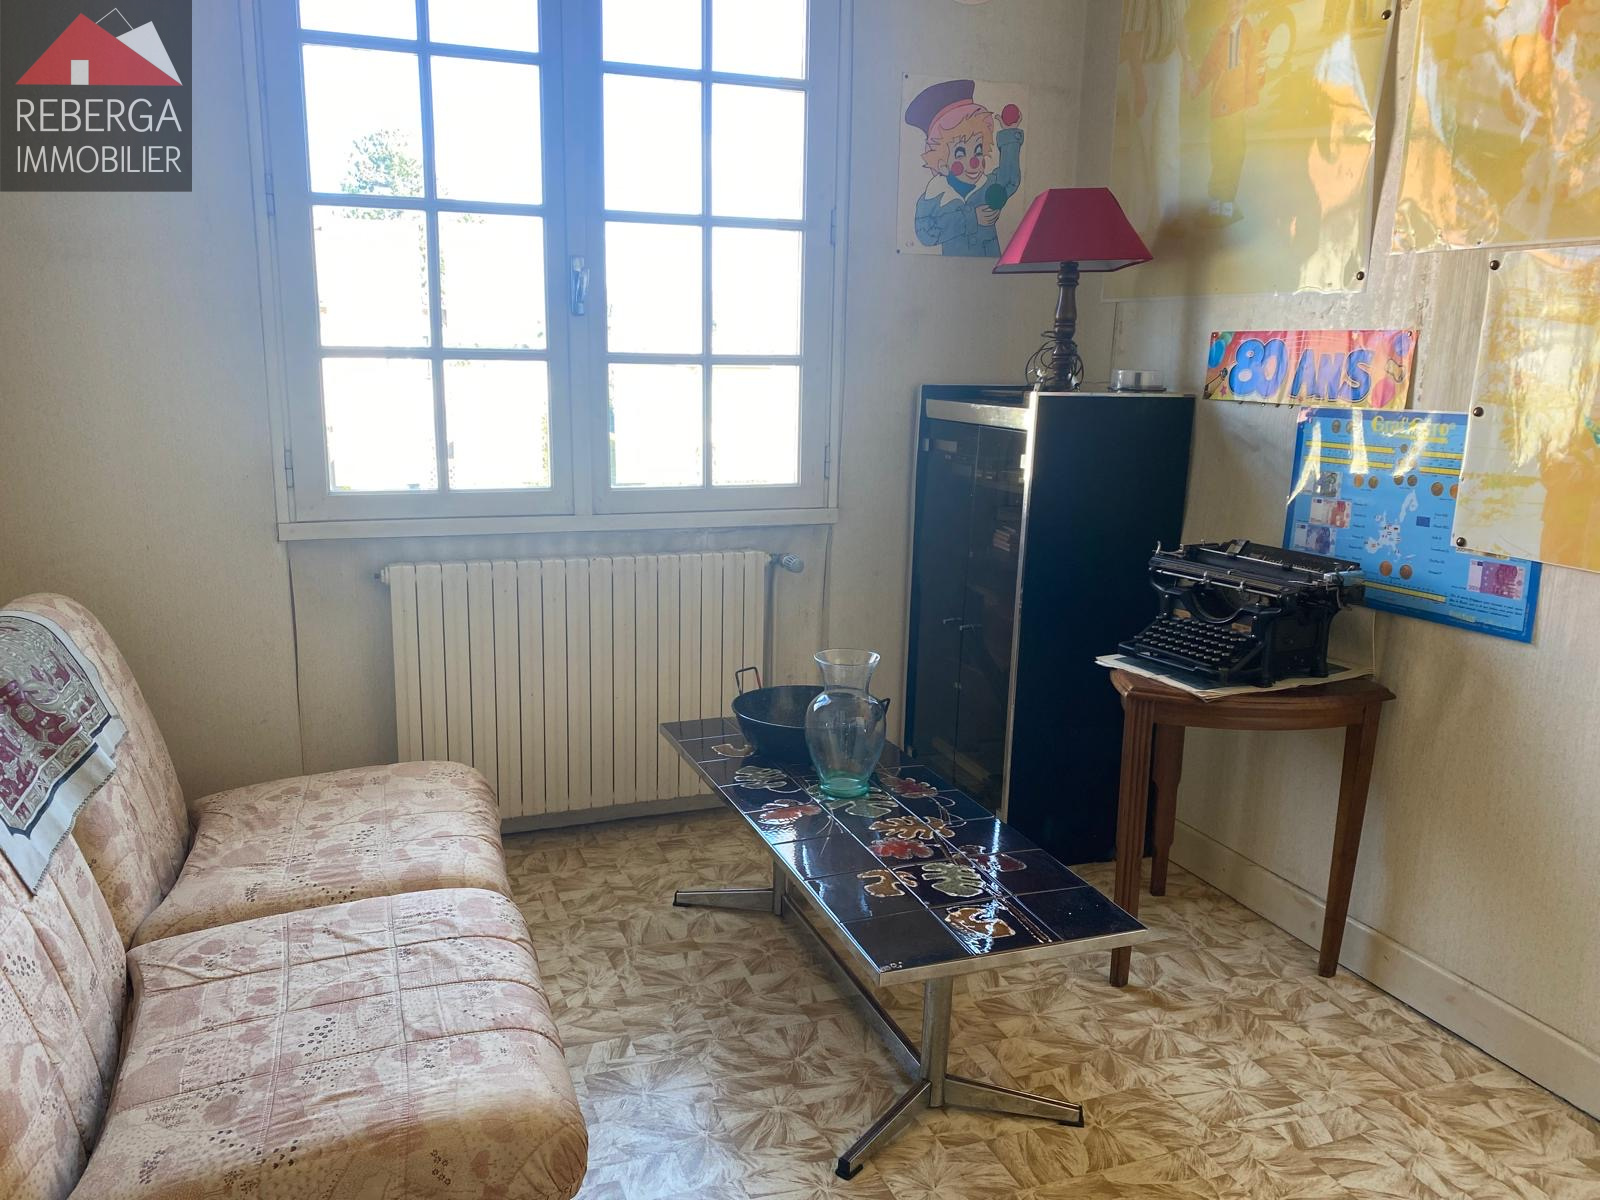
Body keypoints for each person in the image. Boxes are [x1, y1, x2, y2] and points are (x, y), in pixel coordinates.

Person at [904, 79, 1024, 256]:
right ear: (942, 164)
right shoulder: (933, 198)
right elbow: (925, 232)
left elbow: (1010, 179)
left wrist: (1009, 134)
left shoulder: (989, 185)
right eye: (960, 153)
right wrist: (971, 218)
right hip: (951, 269)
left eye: (978, 150)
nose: (972, 162)